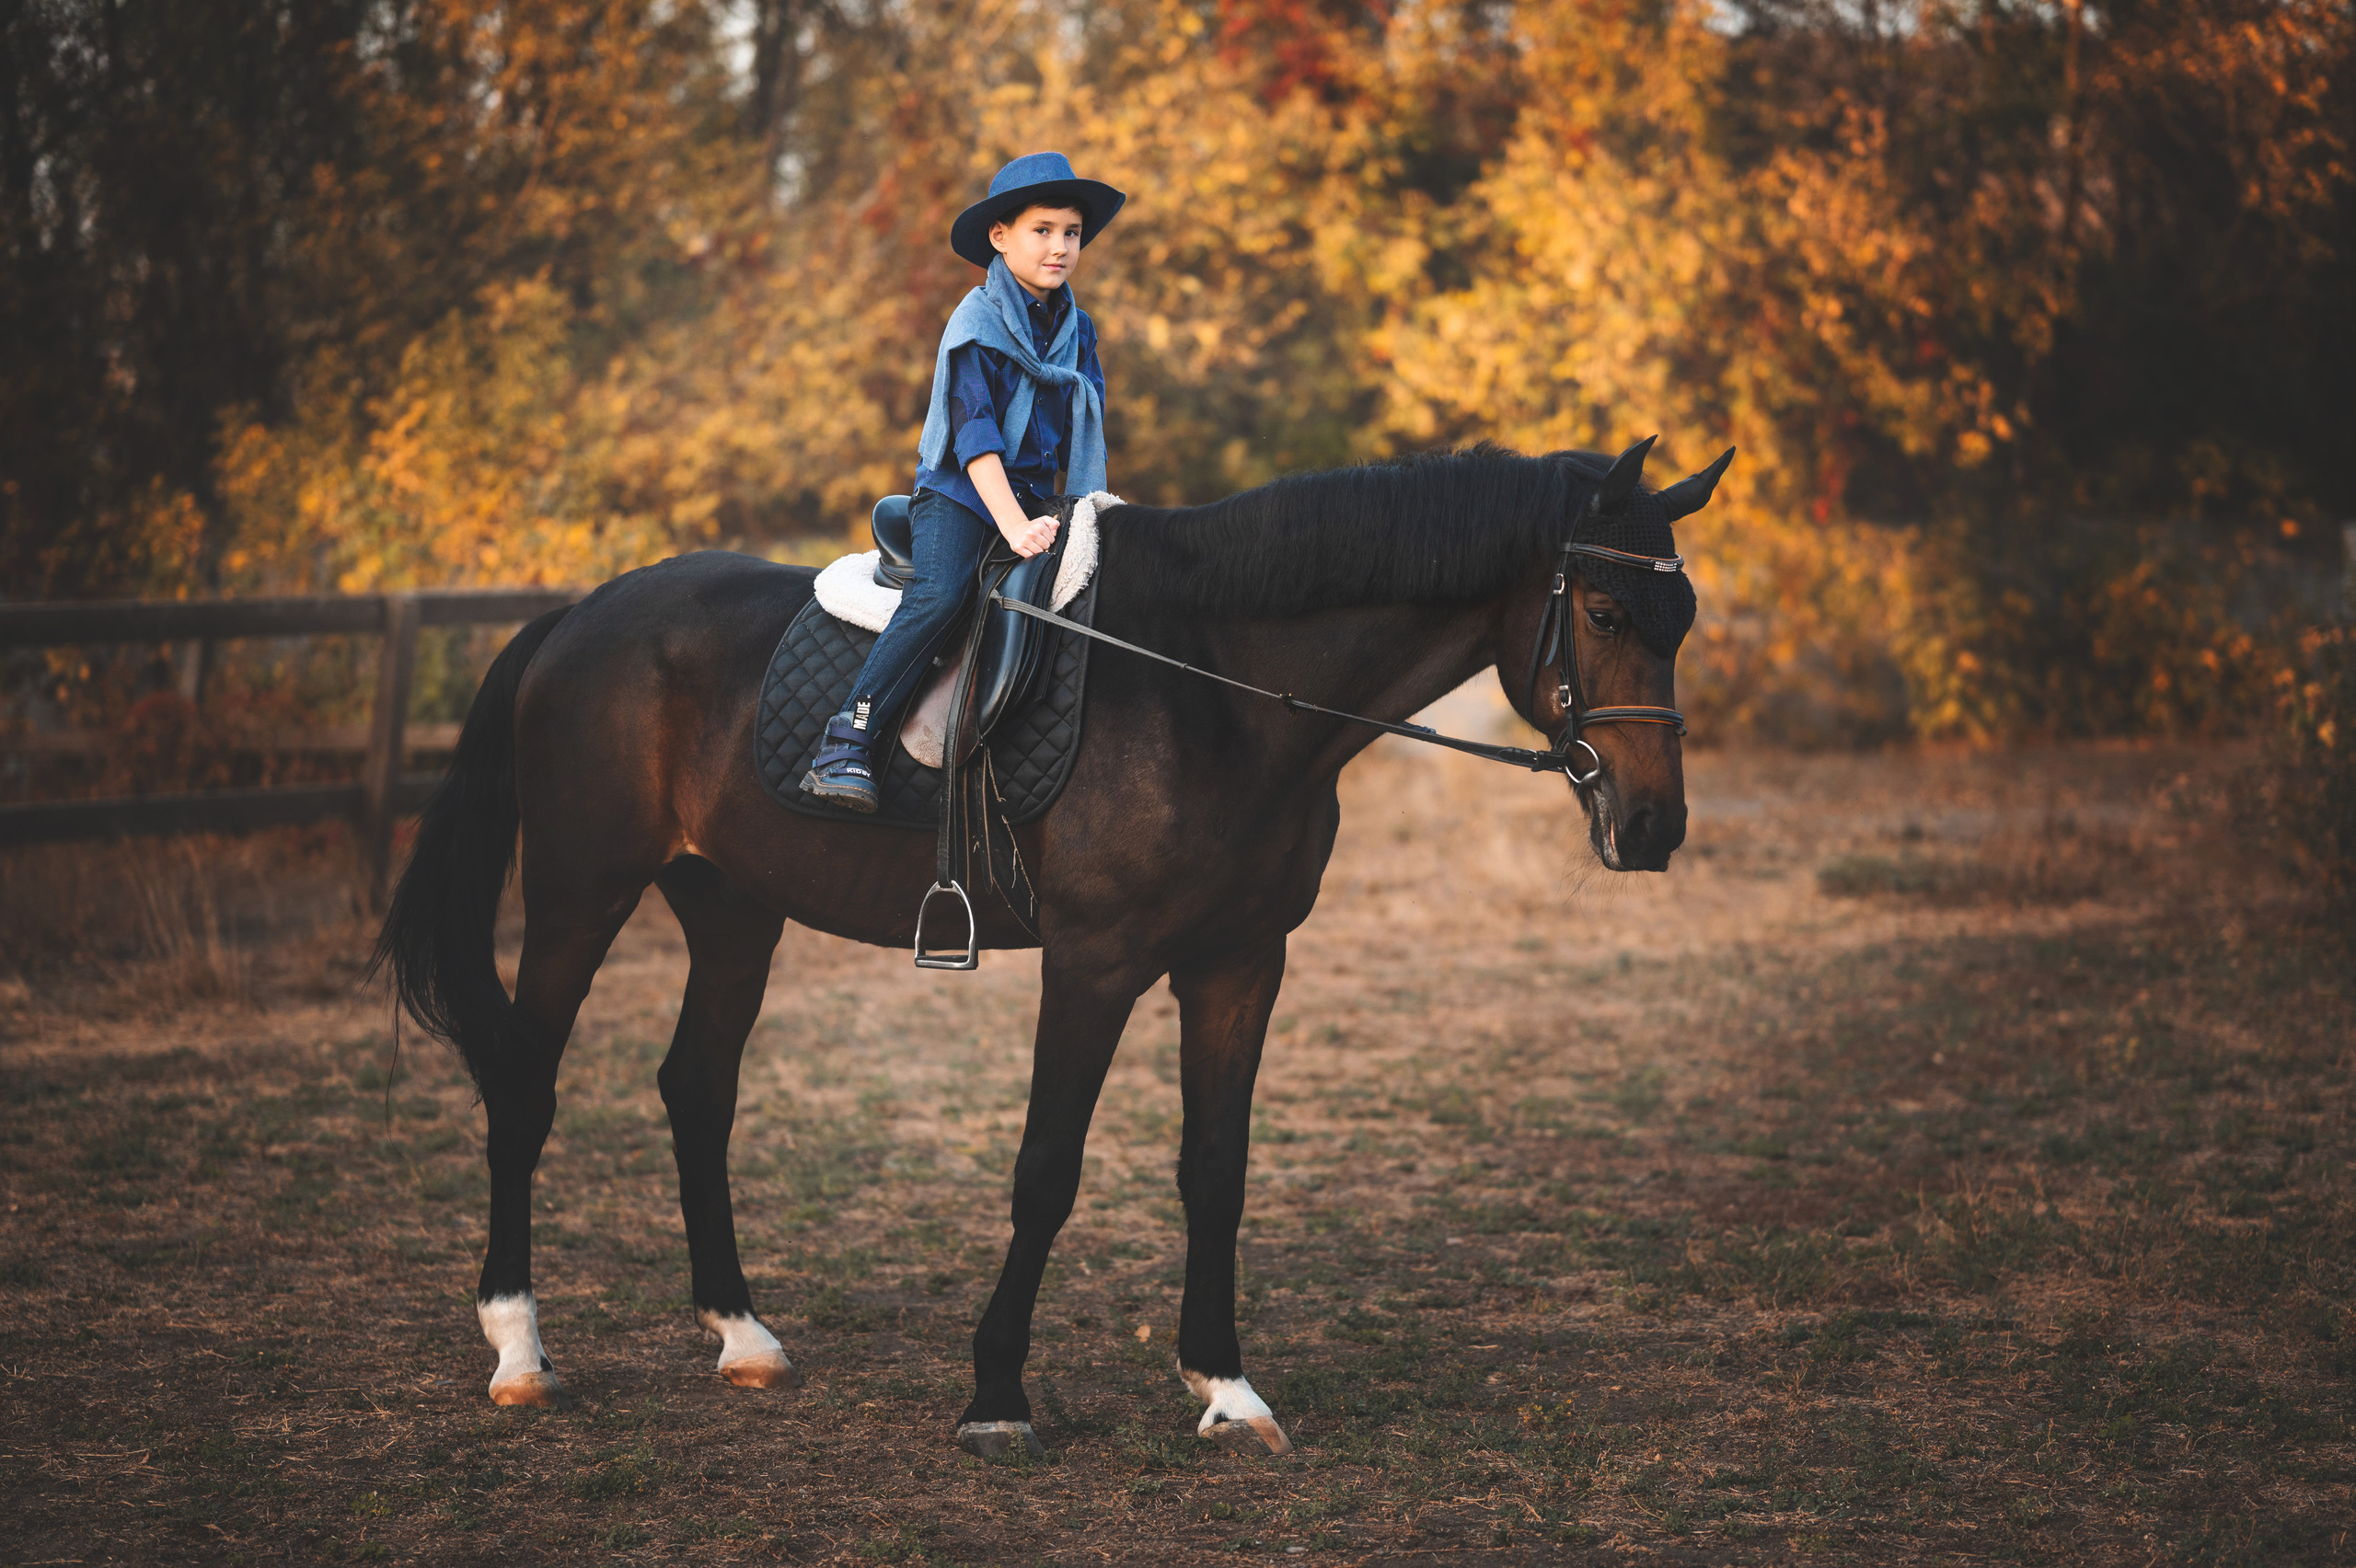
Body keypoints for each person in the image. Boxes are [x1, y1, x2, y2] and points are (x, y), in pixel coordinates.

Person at [803, 152, 1126, 812]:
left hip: (1038, 500)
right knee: (944, 593)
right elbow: (975, 437)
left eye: (1071, 232)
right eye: (1042, 230)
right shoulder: (975, 323)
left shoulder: (1075, 330)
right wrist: (1013, 525)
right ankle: (850, 736)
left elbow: (1086, 420)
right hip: (960, 496)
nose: (1060, 246)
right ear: (1000, 237)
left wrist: (1087, 513)